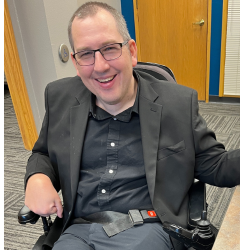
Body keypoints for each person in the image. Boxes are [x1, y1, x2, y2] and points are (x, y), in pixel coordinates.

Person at [24, 2, 240, 250]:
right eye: (86, 54)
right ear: (75, 61)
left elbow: (216, 165)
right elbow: (43, 153)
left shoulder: (177, 103)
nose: (100, 66)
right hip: (78, 232)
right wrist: (37, 177)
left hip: (147, 230)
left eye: (109, 49)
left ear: (132, 51)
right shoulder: (60, 97)